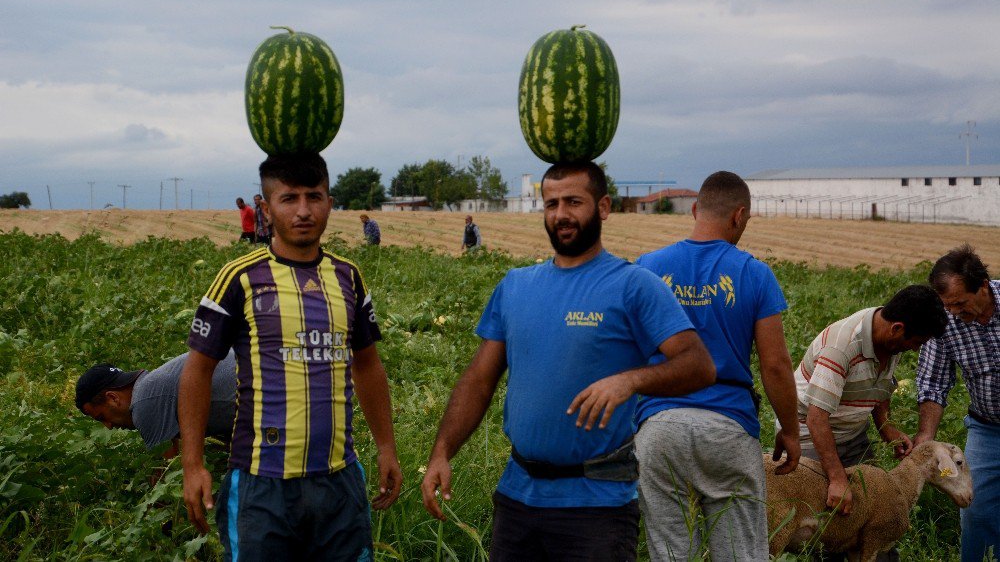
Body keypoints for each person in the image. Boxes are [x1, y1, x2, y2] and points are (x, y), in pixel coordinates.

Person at [420, 161, 716, 562]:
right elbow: (478, 381)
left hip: (597, 507)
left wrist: (628, 381)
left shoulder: (633, 285)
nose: (561, 214)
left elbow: (698, 364)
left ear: (604, 207)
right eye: (551, 203)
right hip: (517, 498)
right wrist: (442, 453)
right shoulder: (516, 286)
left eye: (574, 202)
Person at [179, 153, 402, 561]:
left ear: (330, 203)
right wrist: (192, 464)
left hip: (339, 481)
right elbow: (197, 371)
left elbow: (368, 366)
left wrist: (386, 446)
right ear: (265, 208)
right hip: (262, 486)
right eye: (289, 198)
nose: (303, 211)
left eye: (314, 197)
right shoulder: (240, 277)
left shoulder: (348, 276)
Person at [633, 171, 800, 562]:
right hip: (728, 429)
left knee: (672, 553)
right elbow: (775, 365)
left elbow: (624, 351)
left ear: (694, 209)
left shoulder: (647, 268)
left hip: (659, 429)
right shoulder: (755, 273)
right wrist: (790, 431)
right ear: (739, 215)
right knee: (741, 553)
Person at [782, 285, 948, 519]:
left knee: (876, 513)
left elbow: (881, 383)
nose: (914, 349)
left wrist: (885, 427)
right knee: (831, 521)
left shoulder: (889, 336)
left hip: (852, 435)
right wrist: (838, 479)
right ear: (897, 329)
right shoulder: (841, 347)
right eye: (917, 343)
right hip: (810, 438)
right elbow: (816, 419)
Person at [916, 245, 1000, 562]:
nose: (954, 312)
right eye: (947, 306)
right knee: (975, 509)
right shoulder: (946, 323)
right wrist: (925, 440)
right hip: (987, 430)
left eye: (960, 303)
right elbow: (933, 381)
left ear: (982, 287)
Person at [76, 351, 236, 459]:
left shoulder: (143, 403)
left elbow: (170, 479)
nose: (109, 426)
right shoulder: (153, 385)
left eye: (102, 417)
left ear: (112, 398)